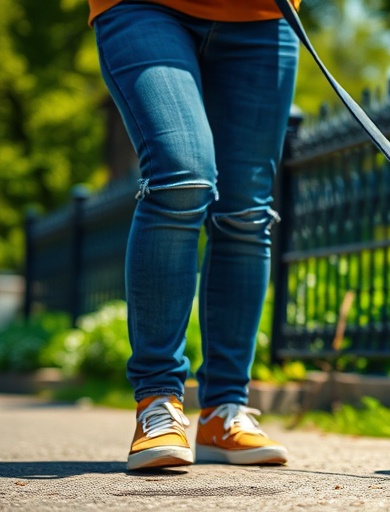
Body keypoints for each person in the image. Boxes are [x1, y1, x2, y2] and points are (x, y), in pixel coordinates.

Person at [87, 0, 301, 470]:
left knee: (246, 213)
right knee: (182, 177)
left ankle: (224, 411)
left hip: (263, 18)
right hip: (144, 9)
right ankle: (158, 401)